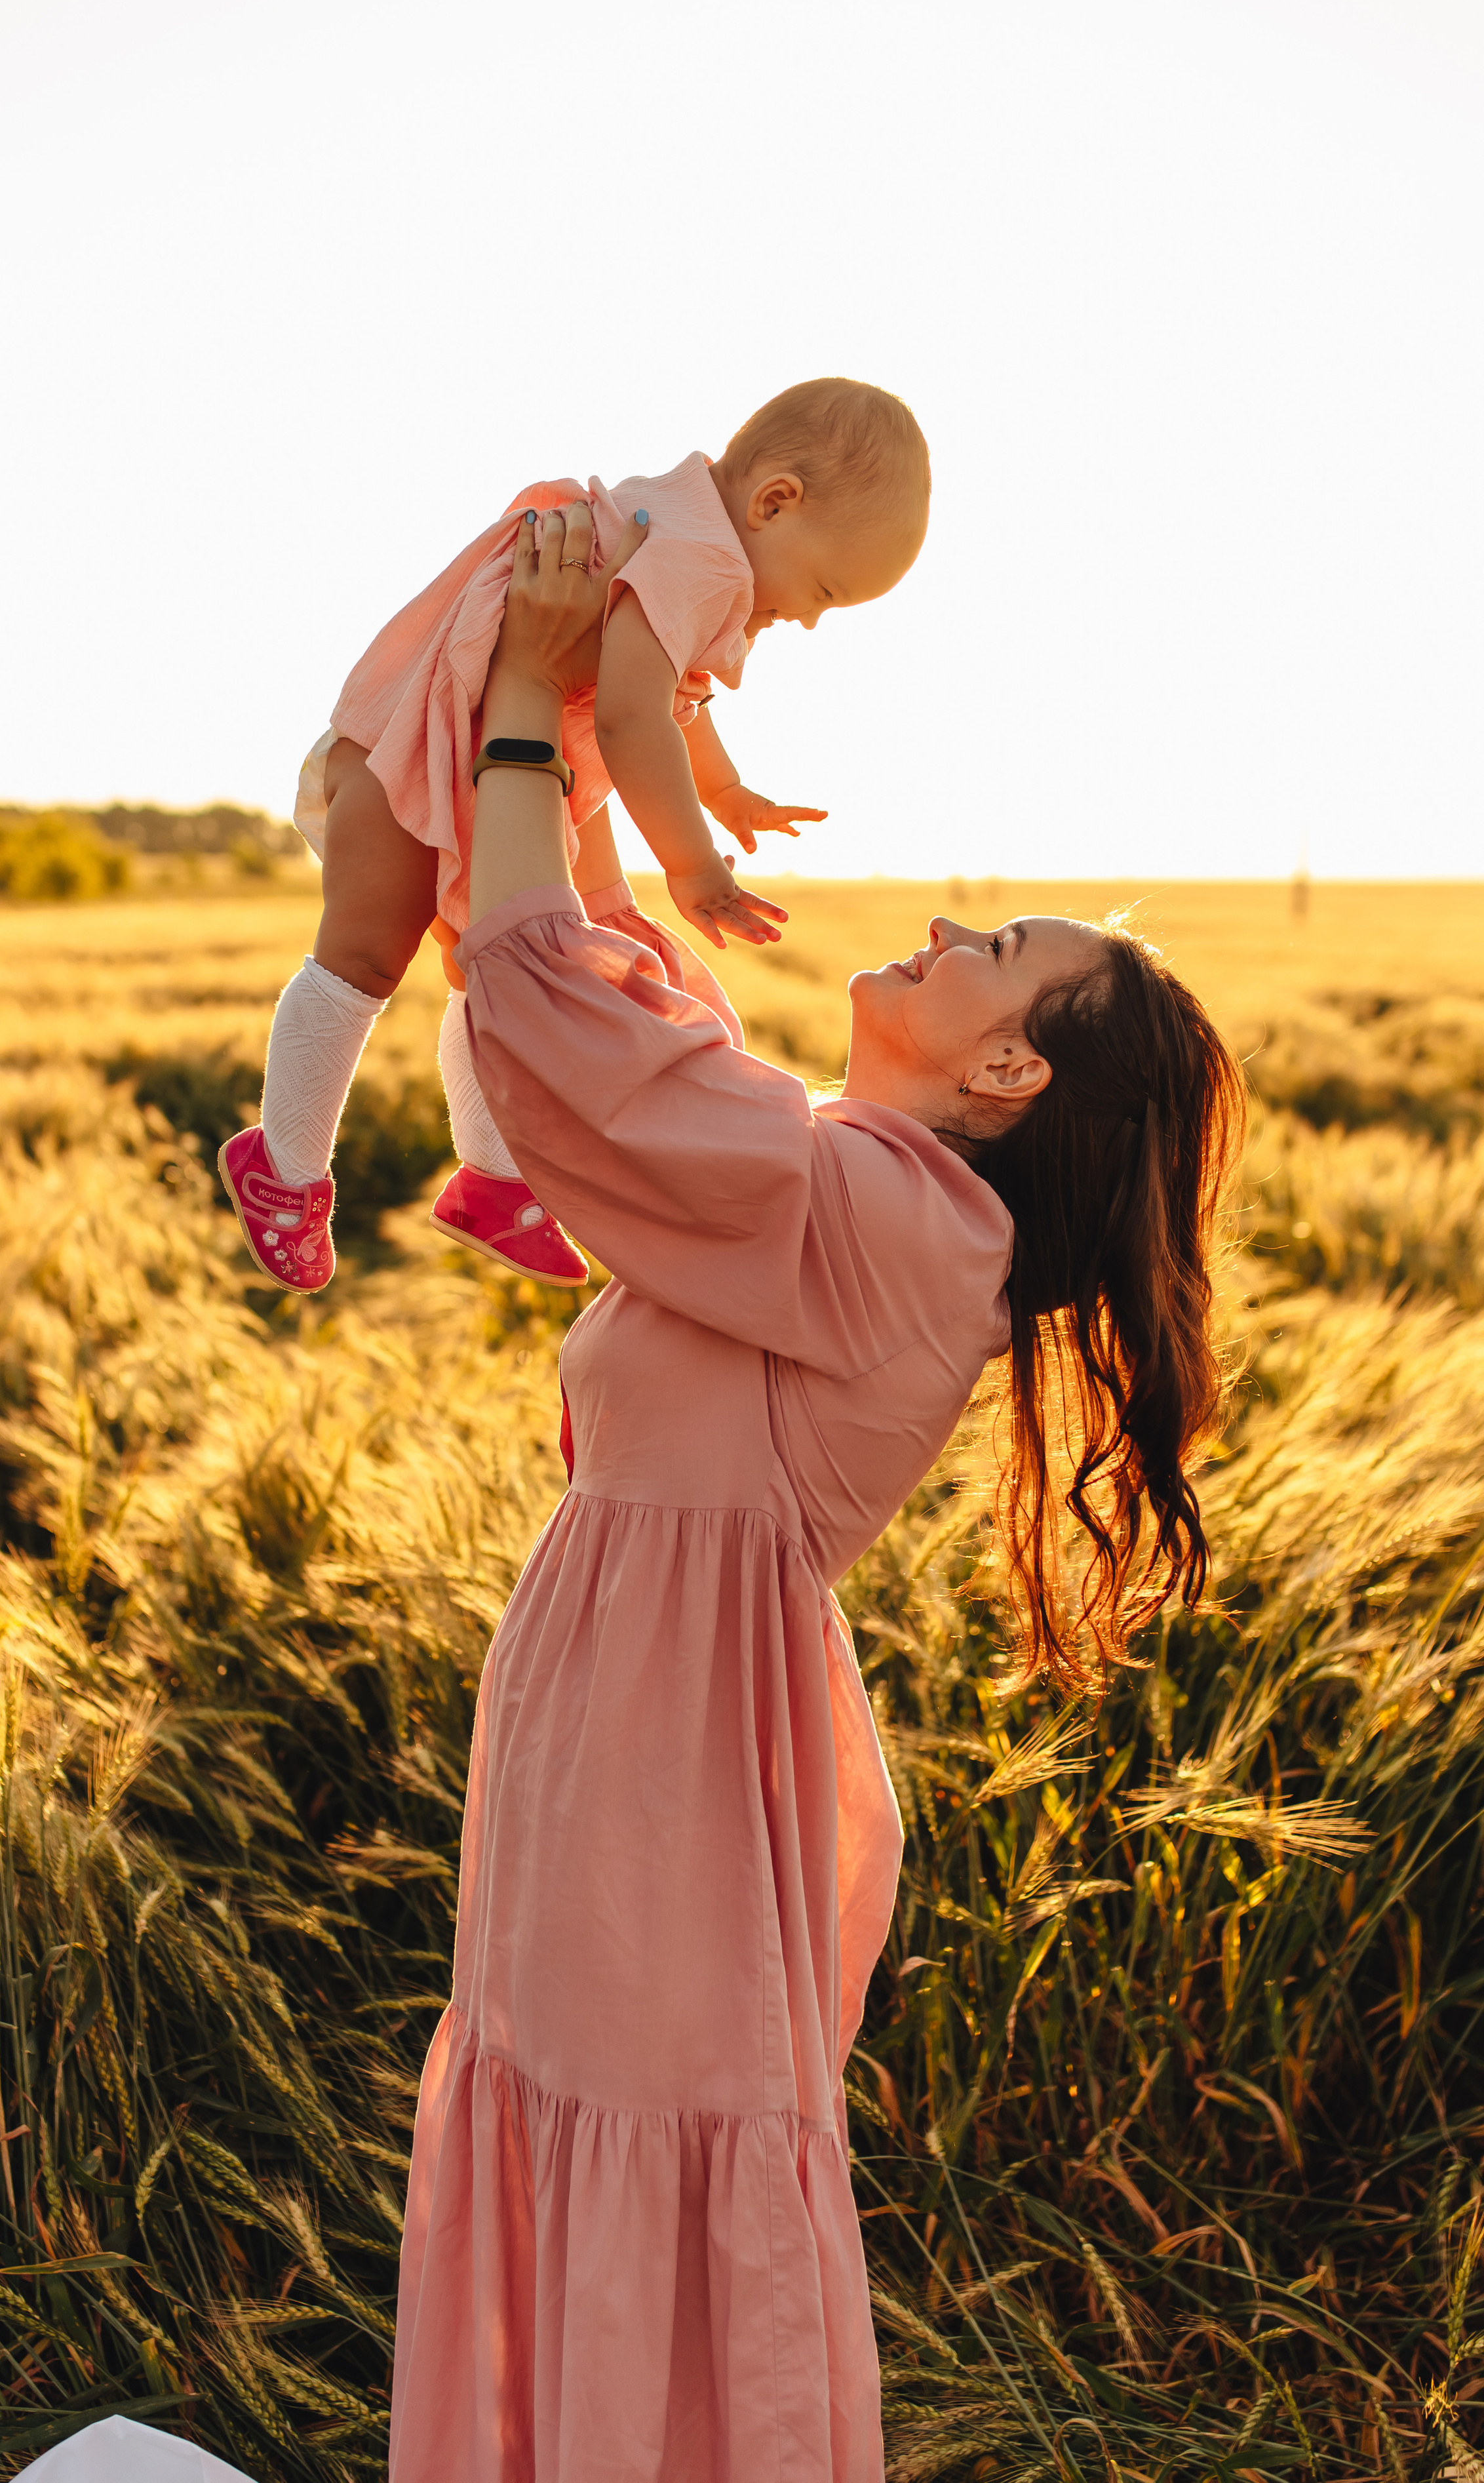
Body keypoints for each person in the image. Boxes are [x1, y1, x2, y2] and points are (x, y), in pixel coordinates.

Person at [385, 504, 1246, 2483]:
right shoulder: (855, 1184)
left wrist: (526, 703)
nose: (951, 929)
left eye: (1002, 956)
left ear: (1017, 1076)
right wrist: (598, 717)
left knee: (626, 2141)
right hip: (636, 1731)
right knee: (576, 2124)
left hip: (668, 1770)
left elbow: (545, 993)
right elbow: (602, 990)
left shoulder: (884, 1215)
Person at [218, 379, 930, 1294]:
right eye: (826, 588)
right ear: (775, 501)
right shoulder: (704, 560)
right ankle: (284, 1167)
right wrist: (695, 867)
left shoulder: (683, 532)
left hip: (475, 746)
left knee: (495, 967)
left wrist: (727, 792)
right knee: (366, 950)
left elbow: (672, 695)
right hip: (426, 742)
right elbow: (637, 719)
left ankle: (493, 1183)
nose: (810, 618)